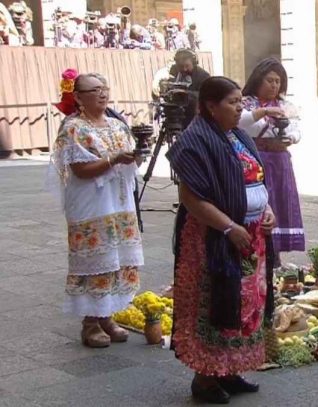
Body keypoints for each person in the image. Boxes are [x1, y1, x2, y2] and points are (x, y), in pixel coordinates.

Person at [167, 76, 275, 404]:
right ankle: (205, 379)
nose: (240, 107)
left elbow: (255, 178)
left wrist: (267, 209)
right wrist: (229, 227)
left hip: (250, 237)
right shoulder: (195, 141)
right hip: (214, 239)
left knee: (244, 304)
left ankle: (228, 369)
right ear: (210, 106)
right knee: (215, 301)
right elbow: (191, 197)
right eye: (232, 102)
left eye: (241, 101)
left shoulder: (238, 136)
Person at [49, 71, 144, 348]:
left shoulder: (117, 125)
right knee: (96, 258)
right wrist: (114, 159)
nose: (102, 94)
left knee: (117, 256)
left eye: (104, 88)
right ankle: (90, 321)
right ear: (78, 97)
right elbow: (80, 169)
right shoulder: (73, 127)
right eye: (94, 90)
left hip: (118, 201)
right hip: (92, 203)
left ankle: (107, 316)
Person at [240, 57, 305, 263]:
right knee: (261, 202)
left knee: (279, 201)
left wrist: (290, 137)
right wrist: (265, 116)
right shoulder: (246, 103)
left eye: (278, 81)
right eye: (270, 80)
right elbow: (247, 126)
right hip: (257, 159)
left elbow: (296, 130)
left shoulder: (286, 105)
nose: (274, 85)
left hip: (280, 162)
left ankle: (275, 252)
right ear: (258, 80)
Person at [169, 48, 210, 129]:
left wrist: (186, 93)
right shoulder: (174, 70)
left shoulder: (203, 76)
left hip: (194, 113)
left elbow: (205, 96)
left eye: (187, 66)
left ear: (194, 63)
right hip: (177, 111)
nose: (184, 69)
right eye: (180, 66)